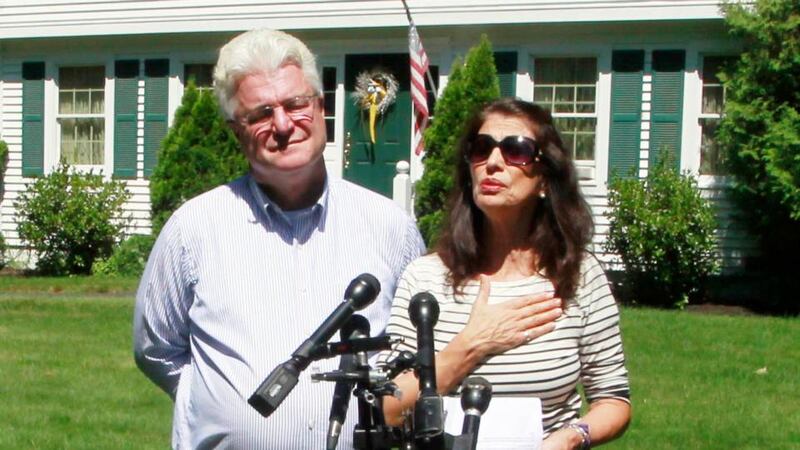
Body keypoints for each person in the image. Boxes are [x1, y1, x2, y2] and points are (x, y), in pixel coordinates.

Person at [133, 28, 425, 449]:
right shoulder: (193, 230)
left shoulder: (390, 227)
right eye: (261, 114)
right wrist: (220, 404)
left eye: (295, 104)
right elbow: (155, 350)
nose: (284, 125)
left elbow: (411, 350)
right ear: (237, 131)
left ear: (321, 107)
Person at [380, 98, 631, 449]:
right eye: (481, 149)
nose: (493, 163)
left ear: (544, 178)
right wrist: (471, 345)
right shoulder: (425, 279)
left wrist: (574, 436)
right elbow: (388, 410)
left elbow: (613, 399)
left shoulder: (580, 276)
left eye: (516, 151)